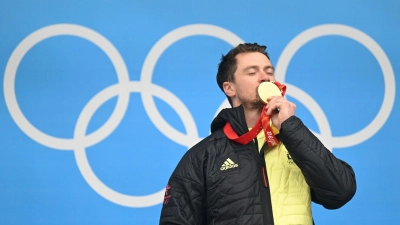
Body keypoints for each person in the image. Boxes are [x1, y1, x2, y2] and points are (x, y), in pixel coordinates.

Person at [159, 43, 356, 225]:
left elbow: (341, 192)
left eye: (269, 71)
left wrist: (291, 127)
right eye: (252, 72)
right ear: (230, 88)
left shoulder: (295, 140)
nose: (265, 77)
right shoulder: (203, 156)